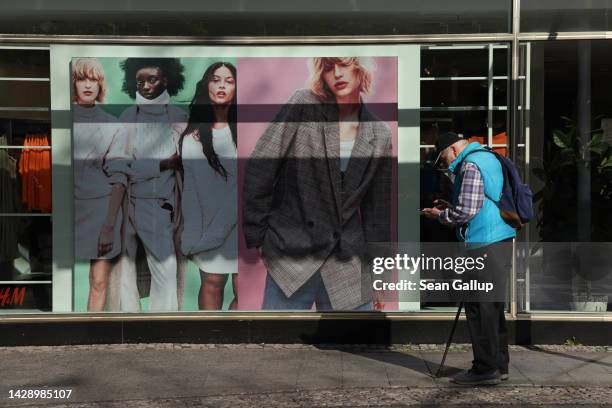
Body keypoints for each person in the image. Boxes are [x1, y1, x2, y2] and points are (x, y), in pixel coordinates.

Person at [243, 57, 392, 311]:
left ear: (361, 69)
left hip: (347, 259)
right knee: (279, 345)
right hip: (292, 251)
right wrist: (260, 237)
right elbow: (262, 164)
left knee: (356, 344)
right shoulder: (303, 104)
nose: (337, 74)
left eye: (344, 65)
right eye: (328, 67)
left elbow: (376, 212)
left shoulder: (379, 133)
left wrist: (378, 274)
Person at [421, 132, 516, 385]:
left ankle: (484, 369)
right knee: (493, 307)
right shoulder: (489, 157)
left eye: (444, 158)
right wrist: (450, 205)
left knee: (479, 307)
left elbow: (466, 211)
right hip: (500, 239)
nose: (446, 164)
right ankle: (499, 365)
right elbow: (481, 200)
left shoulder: (471, 164)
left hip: (483, 243)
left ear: (453, 150)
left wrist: (438, 215)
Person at [106, 58, 187, 312]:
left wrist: (144, 167)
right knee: (124, 271)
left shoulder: (178, 116)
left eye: (152, 79)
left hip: (160, 206)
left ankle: (162, 327)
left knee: (165, 269)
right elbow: (118, 166)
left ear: (165, 79)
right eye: (139, 81)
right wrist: (161, 165)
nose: (145, 86)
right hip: (125, 202)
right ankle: (130, 325)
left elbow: (183, 164)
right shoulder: (129, 116)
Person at [179, 62, 238, 310]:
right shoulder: (192, 138)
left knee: (245, 289)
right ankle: (212, 343)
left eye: (229, 80)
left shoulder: (248, 131)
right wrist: (194, 236)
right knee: (212, 282)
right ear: (207, 85)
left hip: (242, 225)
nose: (222, 85)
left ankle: (238, 345)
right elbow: (190, 190)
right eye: (216, 79)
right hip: (207, 227)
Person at [72, 58, 126, 312]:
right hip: (66, 206)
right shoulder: (60, 120)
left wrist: (109, 224)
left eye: (93, 79)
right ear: (73, 82)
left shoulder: (111, 124)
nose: (88, 85)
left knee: (99, 279)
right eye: (82, 78)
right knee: (61, 274)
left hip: (100, 209)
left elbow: (119, 178)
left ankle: (89, 334)